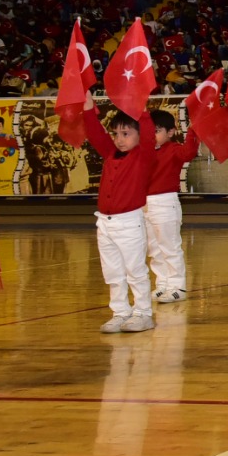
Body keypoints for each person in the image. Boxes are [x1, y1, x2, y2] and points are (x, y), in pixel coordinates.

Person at [83, 96, 158, 333]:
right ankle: (120, 312)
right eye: (116, 134)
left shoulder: (144, 156)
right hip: (104, 223)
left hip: (129, 223)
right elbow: (95, 134)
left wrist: (142, 110)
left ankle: (143, 313)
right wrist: (87, 108)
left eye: (126, 134)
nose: (119, 139)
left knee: (135, 271)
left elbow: (147, 135)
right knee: (113, 272)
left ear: (138, 135)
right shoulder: (110, 154)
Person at [144, 108, 199, 304]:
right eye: (149, 131)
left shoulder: (174, 149)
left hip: (165, 203)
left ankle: (177, 286)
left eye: (157, 131)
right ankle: (162, 283)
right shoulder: (142, 151)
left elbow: (189, 152)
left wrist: (193, 130)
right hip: (145, 204)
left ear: (170, 132)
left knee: (170, 247)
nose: (152, 135)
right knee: (154, 248)